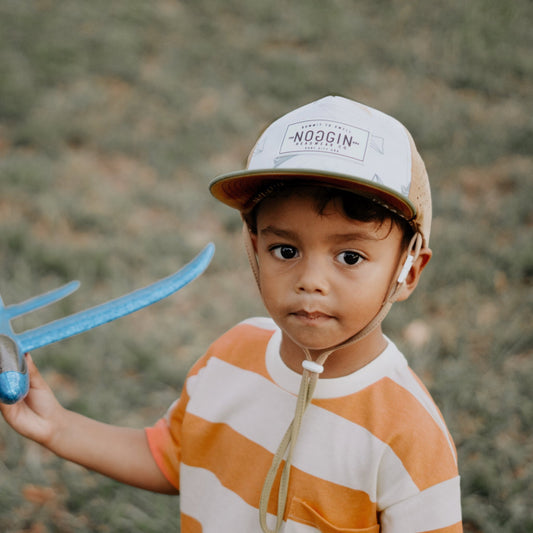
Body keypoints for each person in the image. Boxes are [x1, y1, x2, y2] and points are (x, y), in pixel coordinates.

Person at [0, 96, 462, 532]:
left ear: (409, 269)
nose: (311, 280)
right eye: (285, 249)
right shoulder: (231, 355)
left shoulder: (410, 435)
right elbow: (170, 458)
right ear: (253, 247)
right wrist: (57, 425)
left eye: (350, 257)